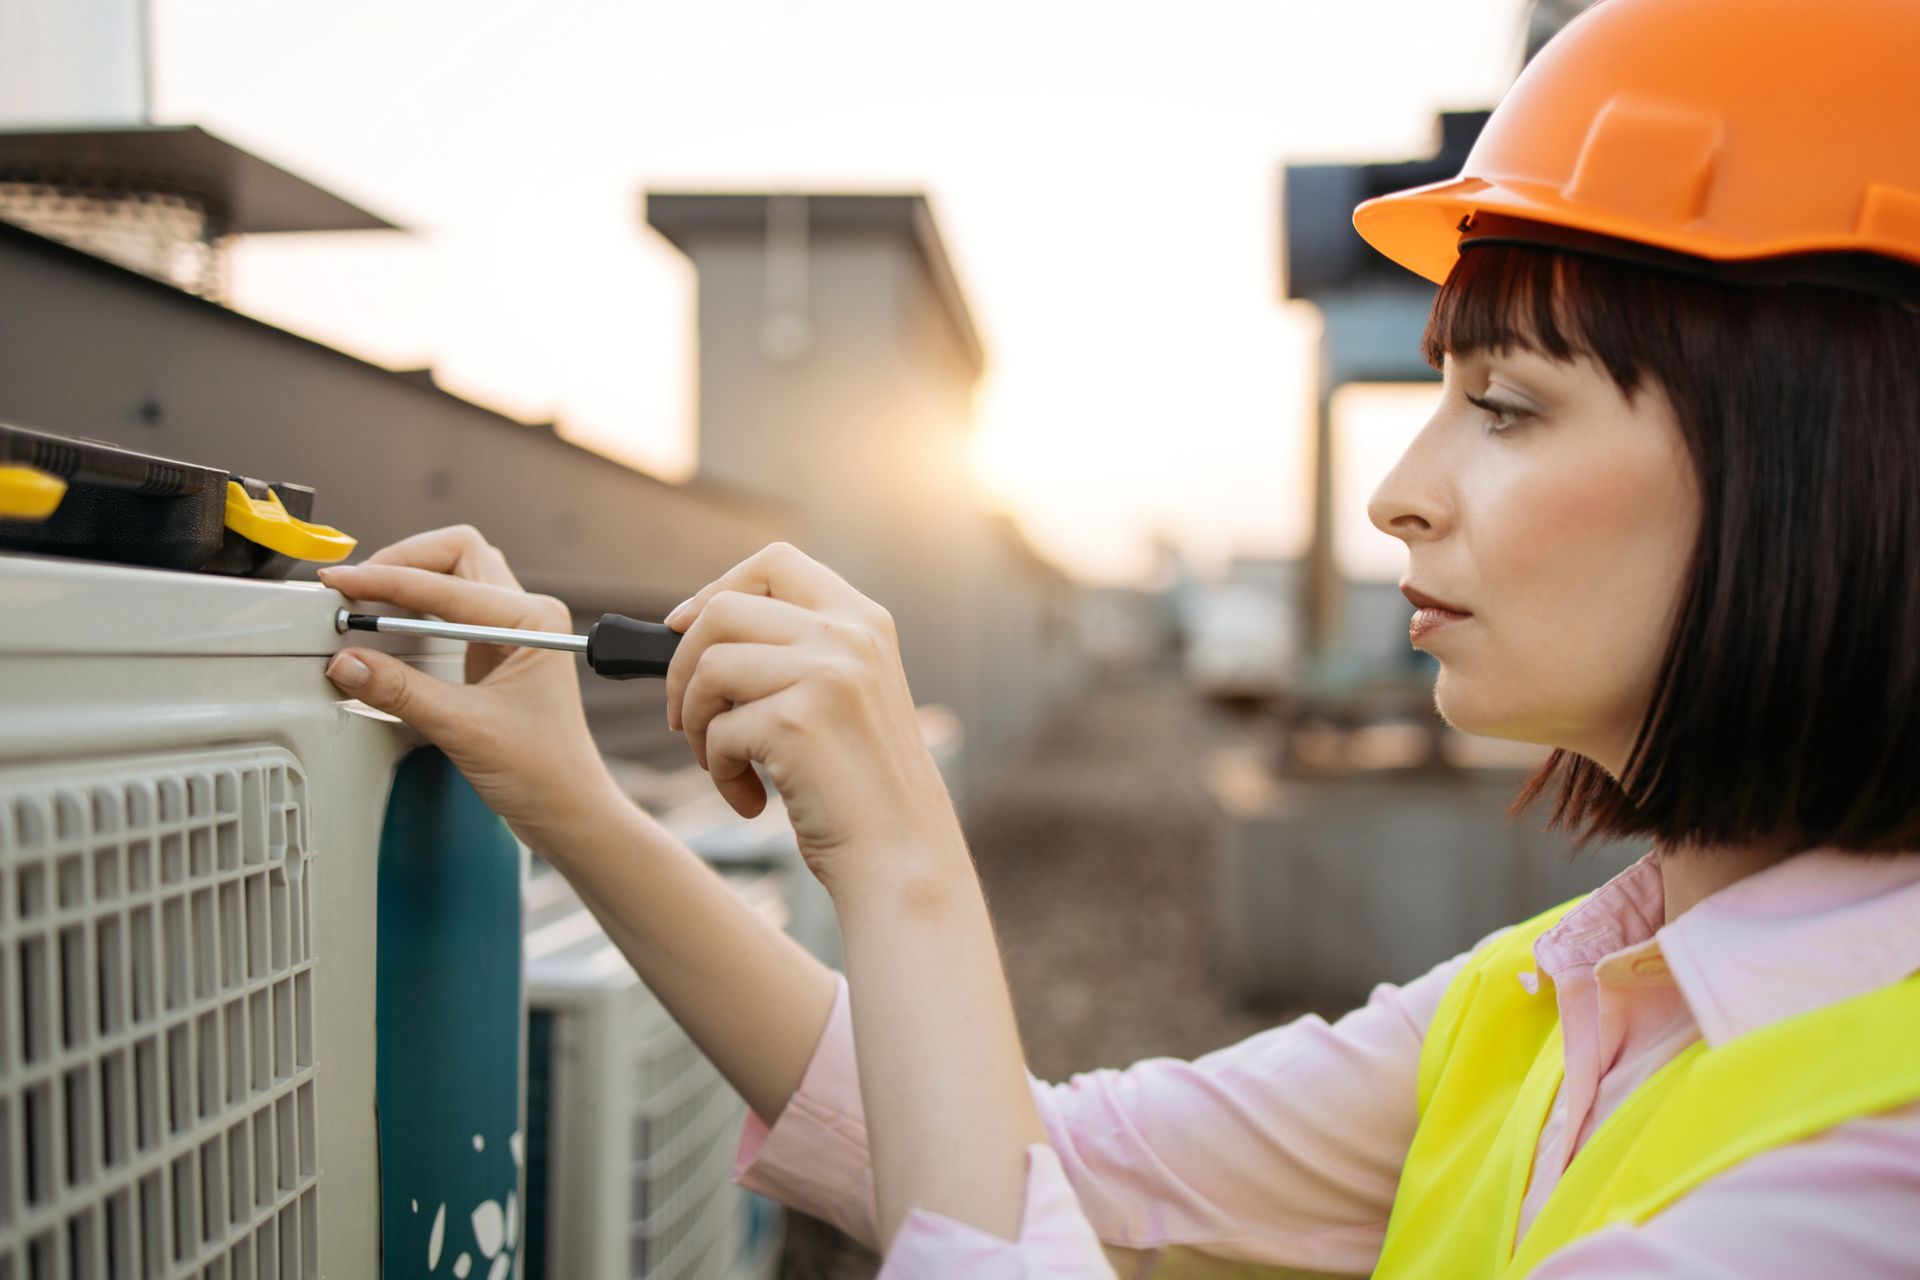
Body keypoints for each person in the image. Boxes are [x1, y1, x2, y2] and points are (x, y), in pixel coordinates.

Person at [317, 0, 1920, 1273]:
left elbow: (991, 1199)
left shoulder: (1872, 1178)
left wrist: (907, 869)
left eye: (1504, 406)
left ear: (1825, 461)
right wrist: (575, 802)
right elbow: (1015, 1160)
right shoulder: (1562, 994)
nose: (1400, 497)